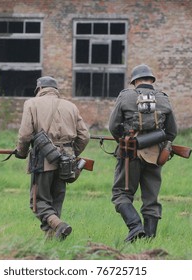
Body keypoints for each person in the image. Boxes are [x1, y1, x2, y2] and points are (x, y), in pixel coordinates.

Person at [14, 76, 90, 240]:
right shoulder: (71, 106)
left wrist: (21, 152)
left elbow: (25, 134)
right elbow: (84, 136)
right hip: (67, 163)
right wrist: (70, 154)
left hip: (43, 160)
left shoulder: (31, 103)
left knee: (38, 202)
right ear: (55, 90)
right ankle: (53, 241)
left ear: (39, 90)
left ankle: (60, 226)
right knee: (56, 201)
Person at [108, 64, 177, 242]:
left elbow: (113, 126)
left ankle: (135, 227)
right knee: (151, 198)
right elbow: (171, 132)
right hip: (155, 155)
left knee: (121, 194)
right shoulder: (163, 99)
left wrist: (124, 141)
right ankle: (149, 241)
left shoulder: (125, 96)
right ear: (151, 80)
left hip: (129, 154)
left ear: (135, 81)